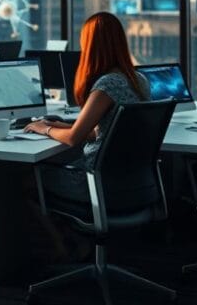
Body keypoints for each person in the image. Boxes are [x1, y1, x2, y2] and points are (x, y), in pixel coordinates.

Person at [24, 12, 150, 202]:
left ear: (92, 45)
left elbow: (74, 139)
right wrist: (57, 125)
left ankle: (64, 233)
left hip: (93, 182)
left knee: (24, 180)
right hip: (130, 182)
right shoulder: (140, 80)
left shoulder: (107, 85)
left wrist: (46, 129)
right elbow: (99, 132)